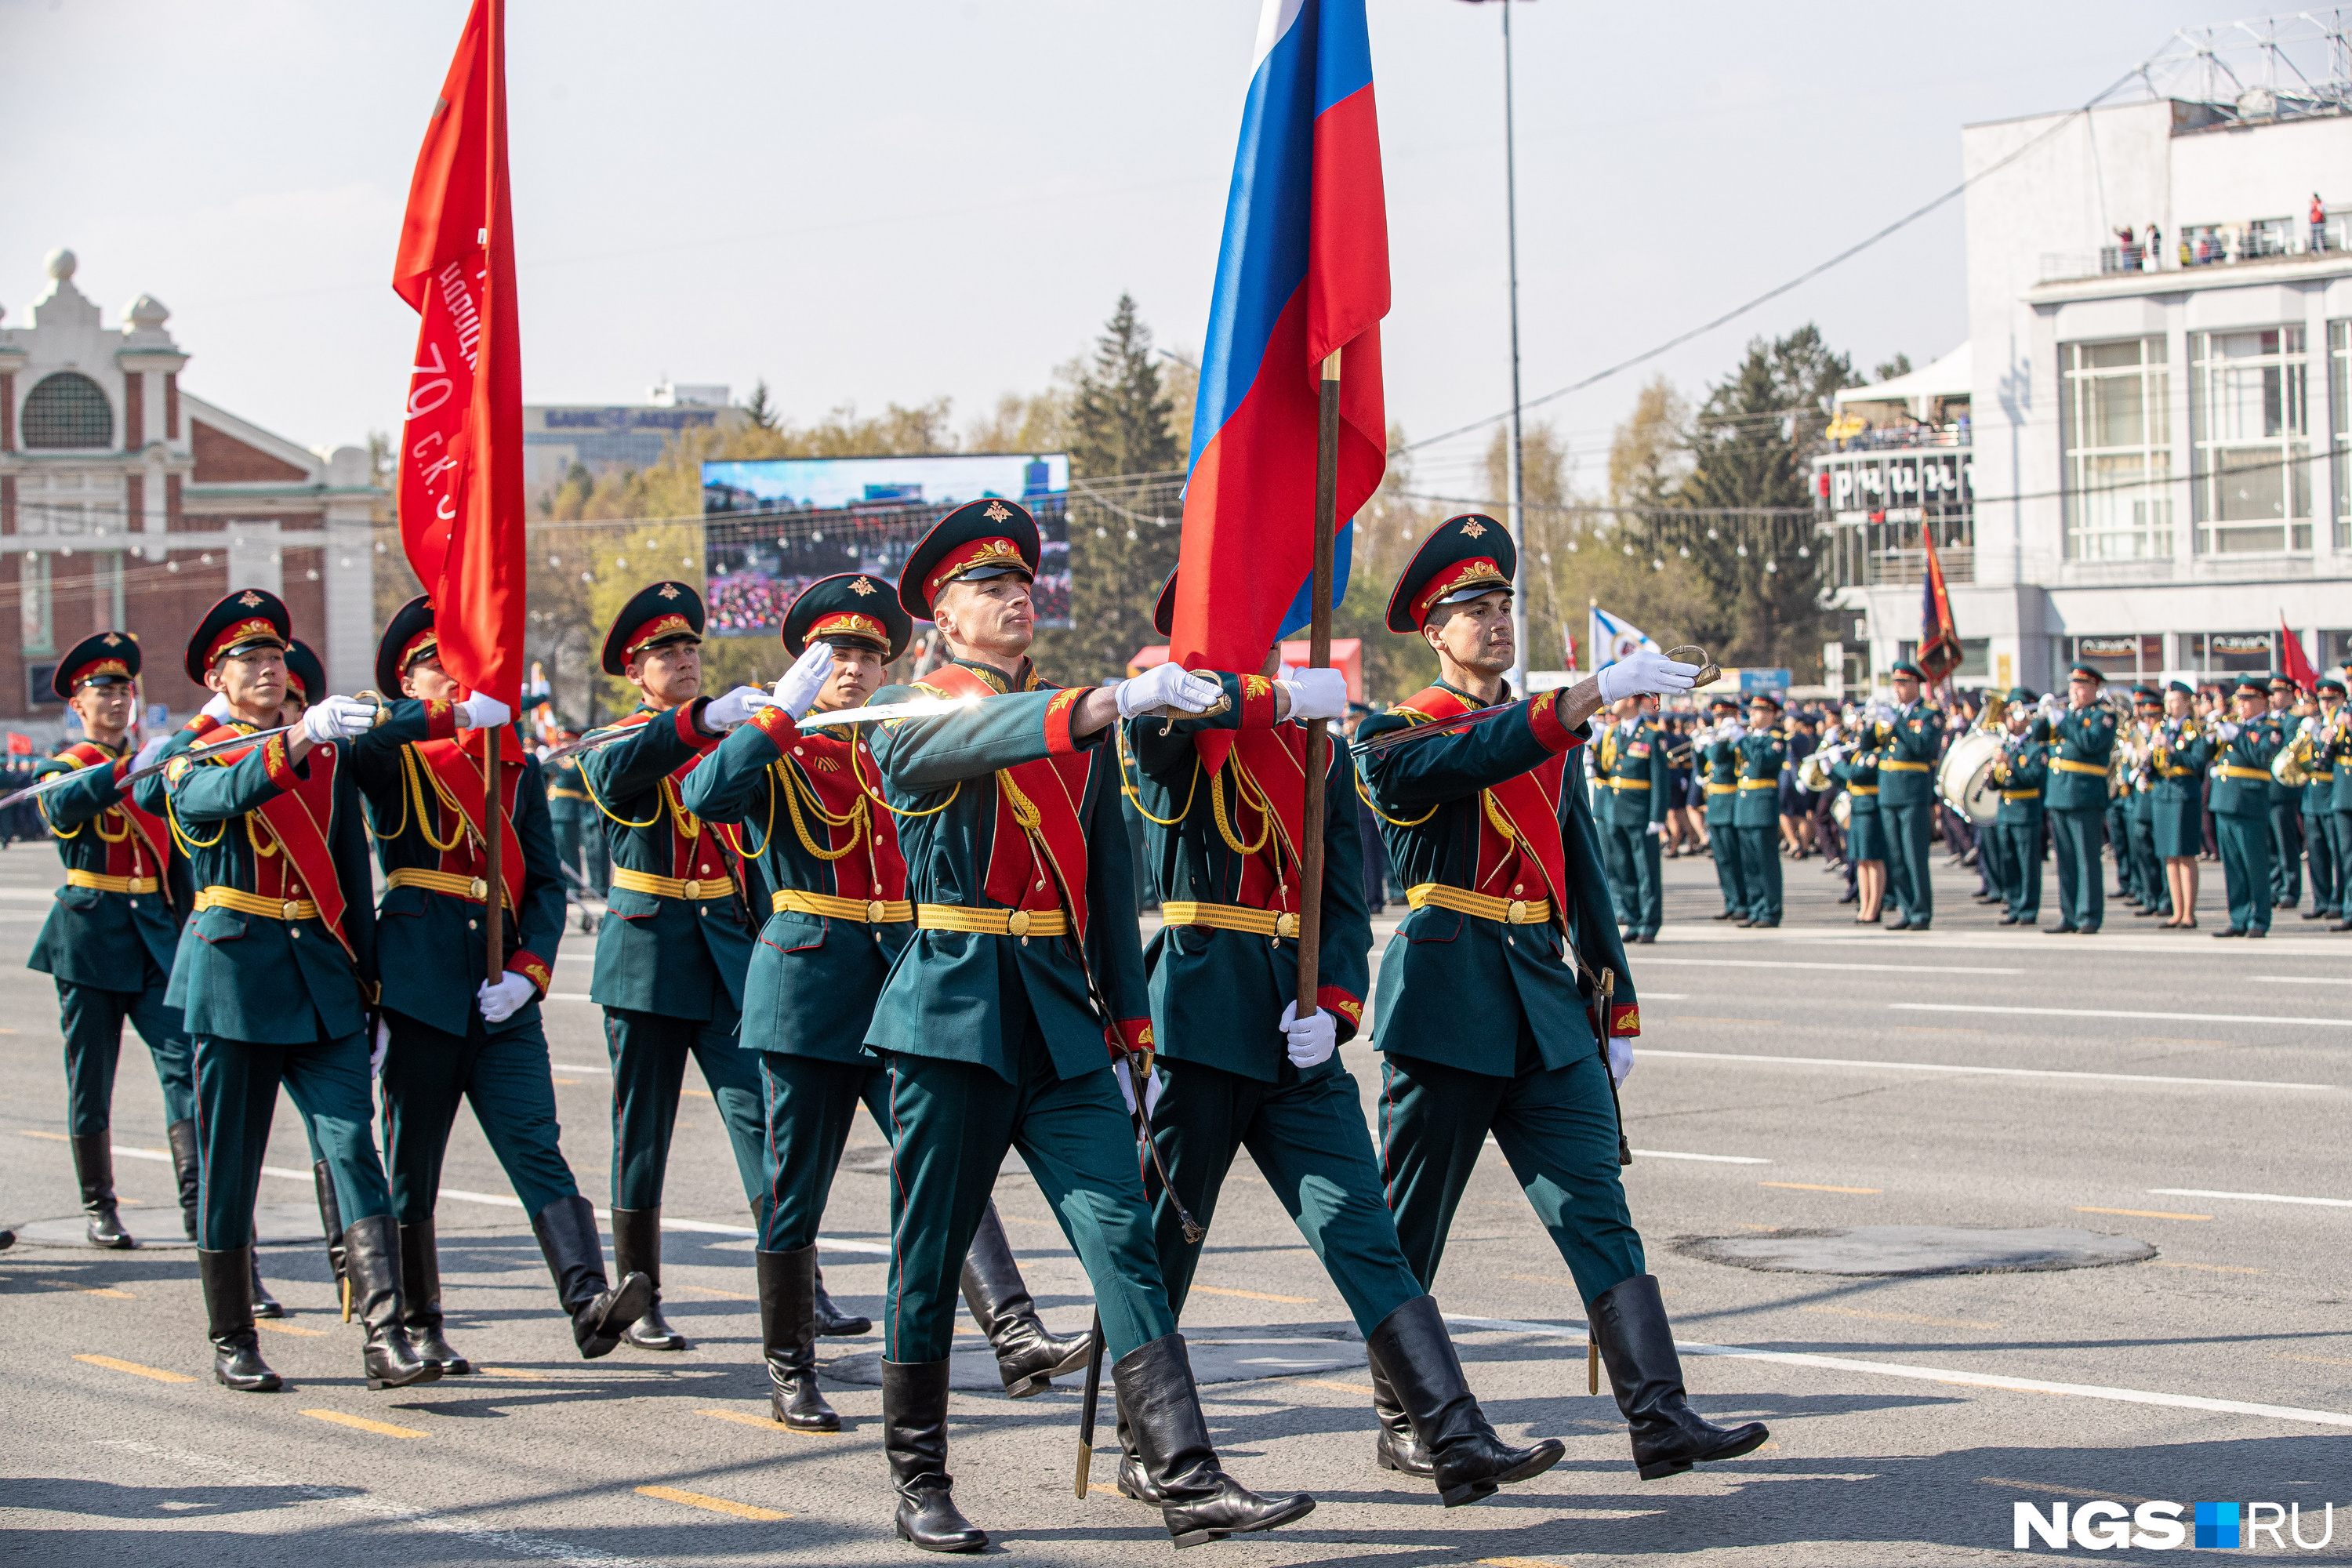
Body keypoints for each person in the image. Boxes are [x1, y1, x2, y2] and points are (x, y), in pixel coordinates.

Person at [859, 499, 1314, 1552]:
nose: (1016, 599)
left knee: (1125, 1241)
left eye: (1024, 583)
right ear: (941, 615)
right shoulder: (905, 706)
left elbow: (1108, 896)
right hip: (953, 1015)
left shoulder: (1075, 722)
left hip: (1064, 1024)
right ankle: (919, 1479)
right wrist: (1105, 699)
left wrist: (1133, 1032)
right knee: (927, 1255)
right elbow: (964, 745)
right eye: (988, 588)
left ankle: (1186, 1478)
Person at [1119, 568, 1563, 1508]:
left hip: (1294, 1027)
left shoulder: (1311, 742)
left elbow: (1343, 898)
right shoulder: (1169, 727)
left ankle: (1450, 1432)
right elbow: (1164, 738)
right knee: (1167, 1238)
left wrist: (1333, 1000)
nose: (1258, 638)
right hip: (1202, 1017)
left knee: (1365, 1231)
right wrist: (1256, 693)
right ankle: (1146, 1445)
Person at [1356, 518, 1766, 1486]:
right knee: (1412, 1222)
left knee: (1597, 1204)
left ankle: (1659, 1414)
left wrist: (1616, 1000)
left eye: (1503, 606)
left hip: (1544, 999)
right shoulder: (1393, 732)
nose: (1495, 623)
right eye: (1472, 610)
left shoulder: (1548, 733)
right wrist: (1581, 699)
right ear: (1432, 630)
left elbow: (1581, 869)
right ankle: (1404, 1416)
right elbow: (1462, 761)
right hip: (1447, 998)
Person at [678, 572, 1088, 1435]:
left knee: (945, 1161)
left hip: (901, 978)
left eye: (868, 650)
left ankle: (1015, 1332)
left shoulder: (895, 742)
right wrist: (772, 719)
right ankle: (791, 1367)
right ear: (804, 664)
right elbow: (704, 796)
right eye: (835, 652)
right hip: (808, 988)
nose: (855, 666)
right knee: (796, 1188)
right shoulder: (781, 747)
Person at [138, 588, 477, 1394]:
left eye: (275, 657)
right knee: (234, 1162)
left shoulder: (320, 752)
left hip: (322, 975)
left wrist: (457, 713)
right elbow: (207, 798)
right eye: (249, 659)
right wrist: (295, 738)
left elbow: (349, 872)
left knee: (353, 1148)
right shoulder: (190, 748)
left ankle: (385, 1331)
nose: (267, 668)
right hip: (234, 974)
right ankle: (233, 1333)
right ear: (216, 676)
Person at [354, 596, 653, 1374]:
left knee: (536, 1143)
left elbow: (547, 884)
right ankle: (417, 1322)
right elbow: (363, 757)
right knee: (413, 1161)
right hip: (420, 980)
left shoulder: (509, 761)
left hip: (499, 986)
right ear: (406, 678)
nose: (452, 679)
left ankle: (588, 1301)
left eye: (462, 666)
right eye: (434, 667)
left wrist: (529, 972)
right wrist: (439, 714)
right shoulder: (398, 748)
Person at [577, 582, 775, 1351]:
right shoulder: (619, 739)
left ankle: (799, 1283)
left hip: (724, 951)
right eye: (666, 652)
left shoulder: (725, 742)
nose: (685, 660)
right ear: (636, 670)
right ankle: (640, 1293)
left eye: (692, 648)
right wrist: (698, 724)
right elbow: (621, 769)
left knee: (762, 1122)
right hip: (648, 957)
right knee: (643, 1131)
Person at [29, 633, 198, 1254]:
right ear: (77, 704)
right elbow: (65, 807)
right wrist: (126, 769)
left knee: (186, 1068)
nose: (118, 699)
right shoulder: (65, 767)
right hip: (91, 937)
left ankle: (198, 1206)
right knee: (90, 1079)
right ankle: (100, 1205)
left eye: (125, 688)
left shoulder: (149, 764)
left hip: (154, 936)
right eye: (104, 690)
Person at [2040, 665, 2118, 935]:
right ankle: (2069, 914)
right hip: (2059, 793)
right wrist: (2044, 717)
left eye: (2081, 686)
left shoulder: (2103, 716)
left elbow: (2089, 743)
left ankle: (2088, 915)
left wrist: (2062, 720)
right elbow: (2040, 740)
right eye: (2073, 685)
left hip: (2084, 795)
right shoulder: (2069, 716)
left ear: (2095, 688)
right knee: (2065, 860)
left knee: (2086, 859)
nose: (2075, 691)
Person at [2209, 677, 2285, 938]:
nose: (2241, 705)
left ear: (2262, 701)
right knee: (2233, 867)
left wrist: (2238, 736)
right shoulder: (2235, 726)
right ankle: (2238, 917)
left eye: (2247, 700)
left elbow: (2262, 758)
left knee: (2255, 865)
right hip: (2224, 800)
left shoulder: (2269, 729)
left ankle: (2259, 919)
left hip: (2249, 802)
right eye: (2239, 700)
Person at [1591, 691, 1668, 943]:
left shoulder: (1652, 735)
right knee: (1621, 869)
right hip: (1614, 811)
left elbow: (1659, 779)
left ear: (1633, 700)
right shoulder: (1611, 733)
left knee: (1646, 871)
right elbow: (1606, 770)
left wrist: (1657, 817)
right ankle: (1633, 919)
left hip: (1640, 813)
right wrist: (1591, 758)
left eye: (1621, 698)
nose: (1614, 703)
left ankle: (1649, 922)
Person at [1875, 663, 1944, 931]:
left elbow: (1920, 746)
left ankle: (1921, 912)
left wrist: (1897, 724)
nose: (1897, 689)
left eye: (1903, 683)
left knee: (1914, 856)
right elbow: (1872, 746)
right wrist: (1874, 724)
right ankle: (1906, 908)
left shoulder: (1929, 713)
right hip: (1889, 792)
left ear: (1916, 684)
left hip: (1912, 793)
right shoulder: (1895, 714)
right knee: (1896, 857)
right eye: (1895, 684)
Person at [1986, 690, 2049, 927]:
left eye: (2014, 715)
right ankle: (2013, 903)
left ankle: (2028, 908)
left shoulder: (2034, 748)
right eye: (2008, 716)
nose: (2009, 721)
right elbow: (1996, 785)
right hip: (2005, 809)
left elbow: (2034, 778)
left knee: (2027, 863)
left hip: (2025, 809)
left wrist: (2010, 765)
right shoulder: (2005, 745)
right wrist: (1991, 776)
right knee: (2008, 860)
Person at [2151, 681, 2211, 930]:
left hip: (2184, 794)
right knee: (2169, 856)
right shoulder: (2162, 727)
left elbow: (2197, 762)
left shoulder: (2194, 730)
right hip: (2164, 793)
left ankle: (2189, 913)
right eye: (2168, 700)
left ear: (2187, 702)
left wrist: (2171, 750)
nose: (2170, 705)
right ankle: (2176, 911)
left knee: (2184, 854)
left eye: (2175, 700)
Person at [1724, 693, 1787, 927]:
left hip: (1761, 806)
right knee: (1749, 864)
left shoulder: (1775, 739)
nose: (1752, 714)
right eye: (1751, 710)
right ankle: (1756, 907)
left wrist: (1741, 740)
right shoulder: (1750, 737)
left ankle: (1770, 910)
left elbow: (1761, 763)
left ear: (1771, 713)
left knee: (1765, 862)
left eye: (1758, 710)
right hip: (1744, 806)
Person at [1697, 696, 1745, 920]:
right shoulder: (1718, 737)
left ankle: (1742, 902)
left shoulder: (1732, 738)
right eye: (1716, 717)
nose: (1718, 722)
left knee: (1734, 857)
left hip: (1730, 801)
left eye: (1722, 717)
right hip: (1715, 802)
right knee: (1722, 859)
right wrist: (1699, 748)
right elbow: (1702, 769)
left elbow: (1717, 757)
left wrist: (1710, 743)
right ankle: (1731, 901)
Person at [1833, 723, 1886, 923]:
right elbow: (1845, 781)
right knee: (1861, 861)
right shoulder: (1860, 755)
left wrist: (1837, 763)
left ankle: (1874, 906)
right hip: (1857, 808)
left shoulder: (1874, 755)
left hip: (1870, 809)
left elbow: (1855, 774)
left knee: (1873, 859)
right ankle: (1864, 905)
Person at [2125, 687, 2170, 920]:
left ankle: (2166, 899)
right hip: (2141, 798)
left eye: (2153, 716)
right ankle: (2149, 896)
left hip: (2159, 797)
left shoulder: (2163, 737)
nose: (2149, 721)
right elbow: (2125, 764)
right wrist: (2132, 772)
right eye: (2146, 717)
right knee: (2142, 848)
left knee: (2162, 852)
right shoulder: (2137, 736)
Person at [2297, 684, 2339, 924]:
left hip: (2331, 791)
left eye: (2330, 699)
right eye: (2321, 699)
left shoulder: (2337, 726)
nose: (2325, 704)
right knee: (2316, 855)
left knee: (2338, 853)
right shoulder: (2313, 725)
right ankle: (2321, 901)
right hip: (2311, 796)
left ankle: (2338, 901)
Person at [2266, 676, 2305, 912]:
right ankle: (2274, 887)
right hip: (2264, 791)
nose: (2273, 697)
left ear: (2291, 694)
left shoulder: (2293, 720)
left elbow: (2290, 750)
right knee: (2269, 844)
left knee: (2285, 843)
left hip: (2282, 791)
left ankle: (2290, 890)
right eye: (2271, 692)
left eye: (2279, 692)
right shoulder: (2267, 720)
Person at [2318, 676, 2352, 933]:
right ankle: (2349, 910)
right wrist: (2325, 739)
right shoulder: (2338, 715)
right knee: (2347, 856)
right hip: (2343, 791)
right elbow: (2326, 763)